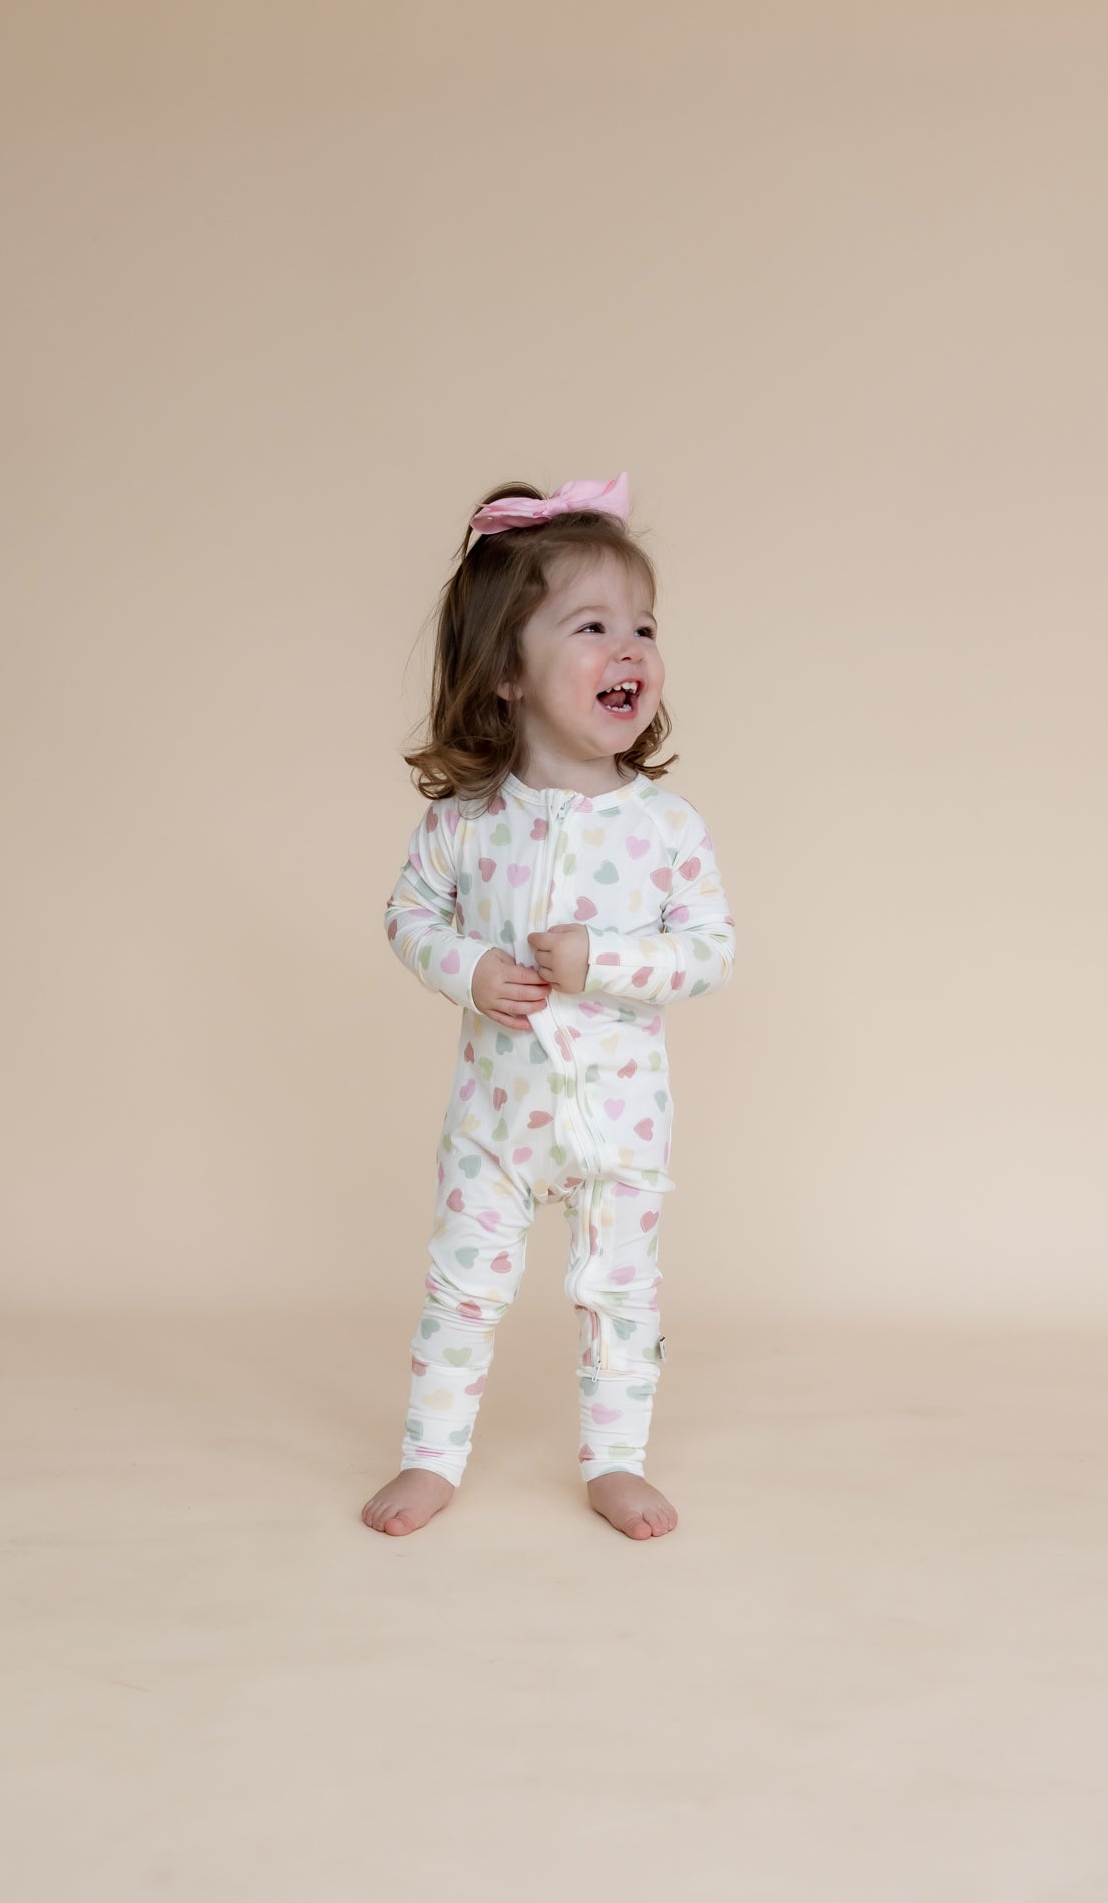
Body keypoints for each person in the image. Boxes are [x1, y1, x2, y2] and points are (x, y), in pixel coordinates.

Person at [360, 472, 736, 1540]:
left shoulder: (666, 828)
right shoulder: (469, 821)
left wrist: (600, 961)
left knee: (621, 1294)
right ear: (506, 674)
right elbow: (408, 914)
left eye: (643, 627)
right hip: (494, 1121)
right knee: (462, 1289)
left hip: (620, 1126)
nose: (630, 649)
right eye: (592, 626)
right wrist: (469, 968)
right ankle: (431, 1456)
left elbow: (709, 952)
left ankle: (615, 1460)